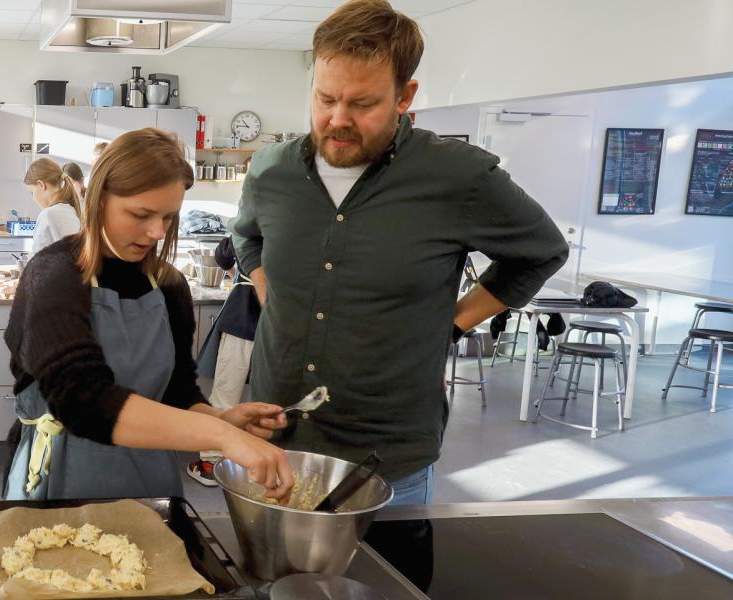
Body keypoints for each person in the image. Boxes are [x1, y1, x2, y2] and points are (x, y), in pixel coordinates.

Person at [230, 0, 568, 506]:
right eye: (324, 99)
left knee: (387, 583)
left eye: (362, 104)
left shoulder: (459, 177)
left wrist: (451, 324)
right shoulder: (271, 171)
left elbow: (542, 252)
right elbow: (247, 238)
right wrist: (270, 292)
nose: (337, 120)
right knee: (266, 583)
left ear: (405, 95)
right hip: (273, 438)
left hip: (384, 455)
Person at [3, 128, 294, 501]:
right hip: (60, 482)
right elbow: (83, 401)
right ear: (99, 198)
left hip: (148, 484)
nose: (156, 232)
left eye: (169, 217)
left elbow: (175, 389)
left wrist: (220, 419)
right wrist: (221, 436)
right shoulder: (54, 276)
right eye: (140, 214)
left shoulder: (167, 285)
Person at [189, 235, 262, 486]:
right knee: (266, 399)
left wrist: (237, 275)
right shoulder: (299, 229)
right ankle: (258, 465)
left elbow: (221, 255)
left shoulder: (248, 229)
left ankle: (211, 464)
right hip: (281, 327)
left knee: (224, 396)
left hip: (241, 321)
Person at [24, 158, 82, 253]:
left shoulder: (48, 214)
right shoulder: (70, 210)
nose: (34, 198)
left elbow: (37, 259)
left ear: (41, 185)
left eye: (32, 192)